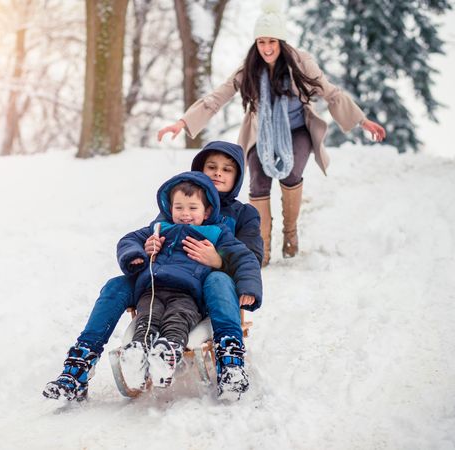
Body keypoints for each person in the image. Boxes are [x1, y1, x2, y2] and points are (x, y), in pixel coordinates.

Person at [157, 0, 387, 267]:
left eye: (272, 42)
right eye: (261, 42)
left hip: (297, 130)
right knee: (258, 182)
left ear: (282, 42)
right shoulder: (250, 69)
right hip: (261, 133)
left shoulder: (302, 63)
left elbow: (331, 93)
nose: (266, 48)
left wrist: (362, 120)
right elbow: (217, 97)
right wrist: (183, 123)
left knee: (291, 174)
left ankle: (290, 231)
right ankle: (261, 248)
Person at [43, 141, 263, 402]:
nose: (218, 173)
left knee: (216, 279)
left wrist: (218, 260)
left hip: (208, 288)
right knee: (116, 285)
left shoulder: (239, 216)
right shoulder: (175, 209)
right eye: (211, 167)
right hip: (158, 282)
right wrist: (144, 251)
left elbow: (249, 257)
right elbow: (139, 237)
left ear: (237, 177)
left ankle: (230, 362)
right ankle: (80, 364)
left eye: (227, 170)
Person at [116, 173, 260, 395]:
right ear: (169, 207)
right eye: (179, 208)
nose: (185, 214)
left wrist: (247, 286)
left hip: (189, 294)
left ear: (207, 211)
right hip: (154, 290)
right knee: (147, 317)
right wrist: (141, 251)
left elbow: (246, 257)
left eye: (193, 208)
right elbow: (129, 239)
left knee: (177, 317)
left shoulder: (215, 233)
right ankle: (138, 356)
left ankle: (168, 351)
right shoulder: (160, 228)